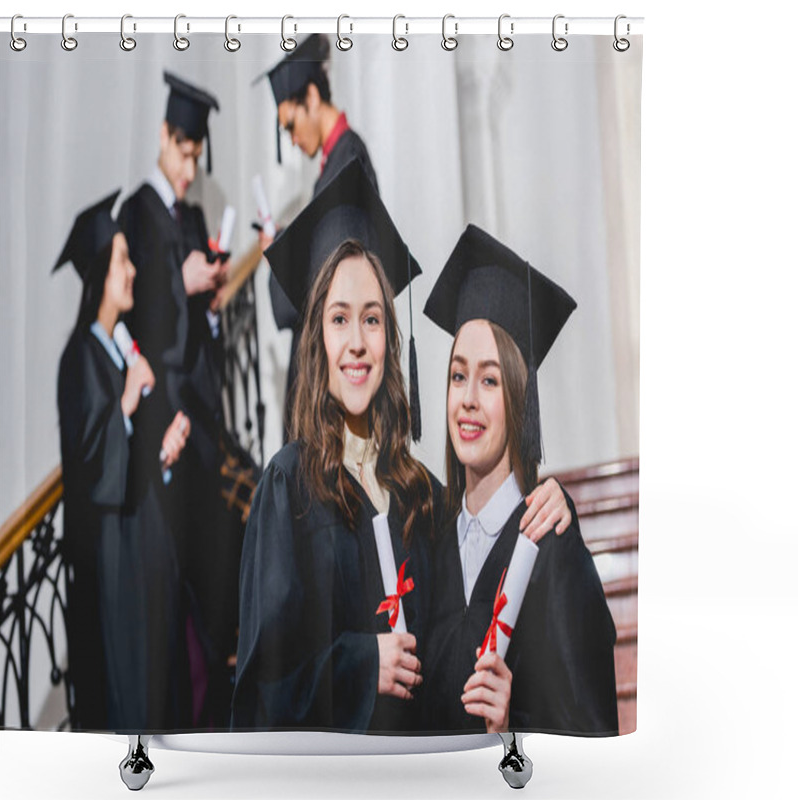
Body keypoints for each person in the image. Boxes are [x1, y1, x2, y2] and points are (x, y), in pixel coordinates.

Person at [232, 168, 571, 732]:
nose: (358, 343)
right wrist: (363, 664)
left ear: (391, 337)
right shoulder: (287, 489)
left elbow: (460, 655)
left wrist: (554, 499)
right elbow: (261, 696)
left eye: (372, 318)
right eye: (340, 319)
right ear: (317, 336)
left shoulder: (423, 497)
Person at [422, 225, 619, 736]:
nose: (468, 398)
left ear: (520, 401)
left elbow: (591, 741)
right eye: (458, 376)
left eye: (489, 380)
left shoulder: (550, 548)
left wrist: (510, 733)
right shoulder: (427, 544)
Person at [118, 72, 238, 728]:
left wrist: (210, 301)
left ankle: (220, 703)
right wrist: (179, 283)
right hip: (166, 419)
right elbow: (137, 315)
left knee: (215, 566)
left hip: (202, 414)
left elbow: (197, 329)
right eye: (184, 153)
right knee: (181, 583)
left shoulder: (190, 217)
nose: (191, 169)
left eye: (198, 157)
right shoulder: (138, 212)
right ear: (165, 137)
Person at [55, 191, 190, 731]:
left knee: (161, 685)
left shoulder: (118, 344)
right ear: (98, 278)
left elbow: (129, 458)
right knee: (130, 692)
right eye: (121, 261)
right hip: (116, 565)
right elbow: (91, 467)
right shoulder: (80, 358)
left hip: (146, 549)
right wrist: (128, 402)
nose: (132, 270)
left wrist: (162, 451)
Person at [254, 34, 379, 439]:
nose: (291, 138)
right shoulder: (334, 167)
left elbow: (326, 279)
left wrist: (281, 258)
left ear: (311, 97)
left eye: (290, 124)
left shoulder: (348, 162)